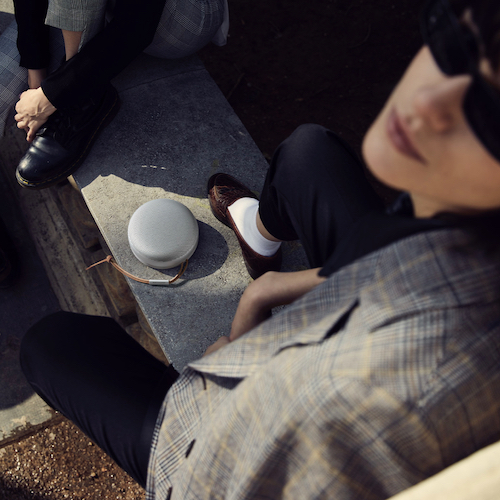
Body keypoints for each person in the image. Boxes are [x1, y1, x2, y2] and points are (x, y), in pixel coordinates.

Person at [19, 0, 500, 498]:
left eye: (490, 119)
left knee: (51, 345)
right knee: (310, 153)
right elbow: (398, 259)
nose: (430, 102)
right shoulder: (466, 232)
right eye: (457, 46)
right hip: (384, 279)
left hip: (215, 444)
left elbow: (229, 473)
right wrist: (263, 293)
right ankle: (258, 233)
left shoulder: (379, 404)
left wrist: (219, 375)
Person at [1, 0, 228, 189]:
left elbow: (138, 23)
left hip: (180, 18)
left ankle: (81, 99)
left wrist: (55, 92)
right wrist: (36, 73)